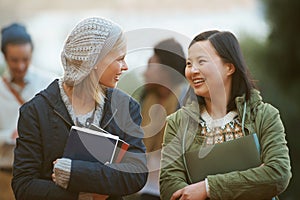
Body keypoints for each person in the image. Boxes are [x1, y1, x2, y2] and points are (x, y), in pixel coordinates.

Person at [12, 17, 148, 200]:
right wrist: (80, 196)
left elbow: (136, 174)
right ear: (95, 60)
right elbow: (24, 185)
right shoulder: (35, 111)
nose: (125, 67)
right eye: (120, 58)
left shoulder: (126, 107)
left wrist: (74, 173)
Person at [159, 30, 292, 200]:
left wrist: (207, 188)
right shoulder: (177, 123)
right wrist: (255, 178)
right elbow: (169, 185)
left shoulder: (264, 115)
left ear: (229, 67)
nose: (193, 71)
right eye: (189, 64)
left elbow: (278, 173)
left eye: (202, 61)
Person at [128, 38, 187, 200]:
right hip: (144, 186)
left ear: (165, 70)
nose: (145, 72)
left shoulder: (186, 104)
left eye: (150, 66)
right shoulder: (144, 100)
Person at [0, 23, 54, 200]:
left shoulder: (47, 84)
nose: (21, 66)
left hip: (41, 179)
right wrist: (10, 135)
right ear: (4, 56)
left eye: (26, 59)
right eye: (14, 60)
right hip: (5, 176)